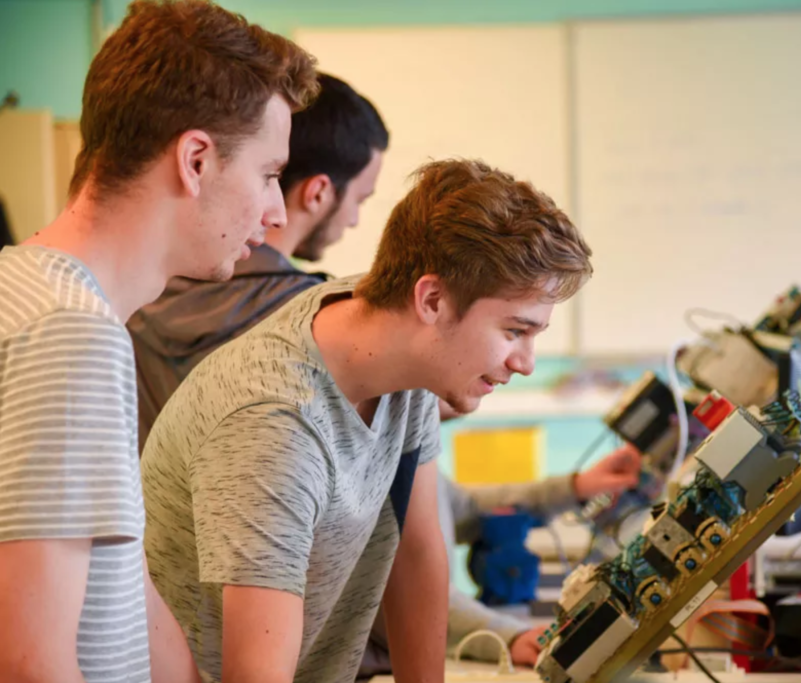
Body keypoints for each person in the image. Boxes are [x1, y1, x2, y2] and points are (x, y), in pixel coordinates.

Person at [140, 158, 593, 683]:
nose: (525, 362)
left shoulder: (403, 347)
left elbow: (416, 553)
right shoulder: (275, 425)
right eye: (516, 331)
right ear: (432, 300)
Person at [0, 1, 318, 682]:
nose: (278, 211)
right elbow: (29, 661)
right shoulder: (69, 333)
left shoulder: (35, 293)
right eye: (268, 173)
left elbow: (120, 579)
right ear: (196, 159)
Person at [128, 72, 388, 448]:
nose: (354, 219)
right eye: (359, 200)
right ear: (317, 193)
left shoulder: (146, 287)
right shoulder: (316, 316)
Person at [360, 396, 643, 673]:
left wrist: (577, 487)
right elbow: (409, 595)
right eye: (510, 344)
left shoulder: (408, 446)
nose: (522, 364)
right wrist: (510, 636)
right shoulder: (377, 459)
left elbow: (470, 509)